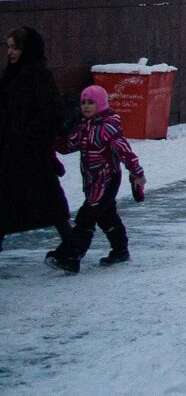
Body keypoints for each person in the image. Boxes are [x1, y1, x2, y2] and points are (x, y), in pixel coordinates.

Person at [46, 85, 146, 273]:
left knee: (86, 218)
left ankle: (71, 256)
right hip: (92, 181)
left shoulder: (108, 128)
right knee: (107, 216)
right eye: (83, 102)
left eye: (90, 102)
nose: (85, 106)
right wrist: (54, 138)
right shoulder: (84, 126)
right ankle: (120, 250)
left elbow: (126, 152)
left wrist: (137, 173)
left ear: (100, 104)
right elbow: (69, 145)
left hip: (107, 179)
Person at [0, 27, 71, 256]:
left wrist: (29, 138)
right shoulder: (10, 75)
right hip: (10, 151)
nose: (10, 52)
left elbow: (53, 113)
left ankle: (70, 245)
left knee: (48, 200)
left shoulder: (38, 75)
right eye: (9, 47)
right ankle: (70, 244)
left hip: (30, 154)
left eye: (15, 47)